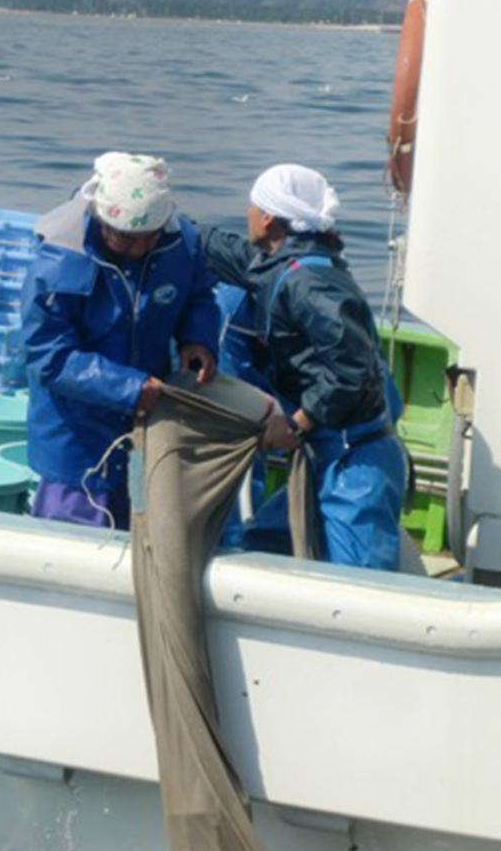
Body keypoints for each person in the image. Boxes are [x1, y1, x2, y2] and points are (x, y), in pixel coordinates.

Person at [204, 163, 407, 570]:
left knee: (359, 590)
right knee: (262, 545)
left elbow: (352, 371)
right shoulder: (295, 264)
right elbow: (229, 252)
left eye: (252, 205)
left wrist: (296, 422)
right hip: (325, 455)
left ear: (267, 218)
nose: (246, 213)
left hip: (354, 465)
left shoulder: (310, 285)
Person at [21, 152, 219, 530]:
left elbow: (199, 294)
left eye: (148, 239)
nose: (137, 249)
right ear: (100, 217)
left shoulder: (184, 243)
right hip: (74, 441)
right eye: (124, 239)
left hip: (145, 429)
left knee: (139, 523)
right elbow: (50, 357)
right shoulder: (57, 263)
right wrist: (129, 388)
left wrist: (198, 340)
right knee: (72, 545)